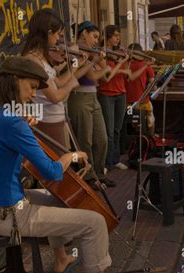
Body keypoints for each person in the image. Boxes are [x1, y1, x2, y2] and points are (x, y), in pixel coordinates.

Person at [0, 56, 139, 273]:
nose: (34, 95)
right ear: (14, 81)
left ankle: (60, 259)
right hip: (9, 215)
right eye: (31, 87)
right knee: (94, 222)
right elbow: (52, 171)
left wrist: (20, 132)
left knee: (57, 198)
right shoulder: (13, 122)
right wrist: (70, 156)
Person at [22, 9, 87, 152]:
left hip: (54, 119)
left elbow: (58, 83)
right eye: (58, 34)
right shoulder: (33, 60)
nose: (58, 39)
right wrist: (73, 83)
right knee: (54, 170)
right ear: (48, 32)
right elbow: (55, 96)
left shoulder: (42, 57)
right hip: (46, 122)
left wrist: (76, 65)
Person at [67, 21, 116, 188]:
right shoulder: (75, 51)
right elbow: (92, 75)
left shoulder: (90, 52)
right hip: (79, 97)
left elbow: (106, 73)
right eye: (94, 37)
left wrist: (100, 60)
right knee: (85, 139)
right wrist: (93, 61)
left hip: (93, 97)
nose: (96, 41)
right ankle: (89, 176)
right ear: (83, 34)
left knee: (102, 139)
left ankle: (99, 173)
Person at [98, 25, 131, 170]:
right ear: (108, 37)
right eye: (115, 36)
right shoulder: (102, 54)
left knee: (118, 129)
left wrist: (126, 63)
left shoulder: (118, 53)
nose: (118, 38)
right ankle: (107, 161)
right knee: (109, 131)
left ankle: (115, 159)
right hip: (107, 94)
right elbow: (107, 76)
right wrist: (121, 63)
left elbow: (125, 74)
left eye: (119, 35)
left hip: (121, 92)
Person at [124, 43, 156, 136]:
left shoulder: (124, 64)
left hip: (126, 101)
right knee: (151, 119)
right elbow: (153, 85)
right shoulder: (146, 64)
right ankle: (151, 138)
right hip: (141, 101)